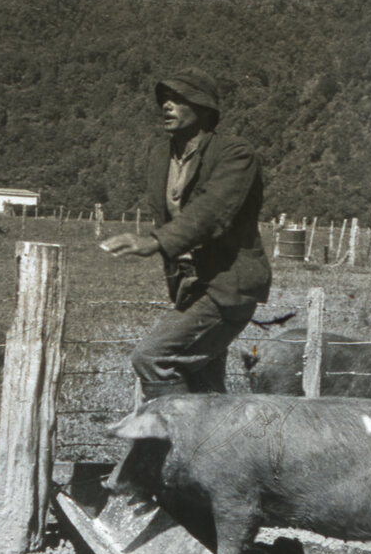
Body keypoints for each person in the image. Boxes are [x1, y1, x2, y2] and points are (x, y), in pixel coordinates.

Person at [101, 67, 271, 399]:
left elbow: (212, 211)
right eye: (164, 99)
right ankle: (222, 449)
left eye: (178, 99)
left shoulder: (235, 154)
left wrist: (155, 242)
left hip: (228, 286)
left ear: (204, 107)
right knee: (203, 386)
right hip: (188, 285)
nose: (167, 105)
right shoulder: (162, 156)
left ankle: (175, 445)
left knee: (153, 358)